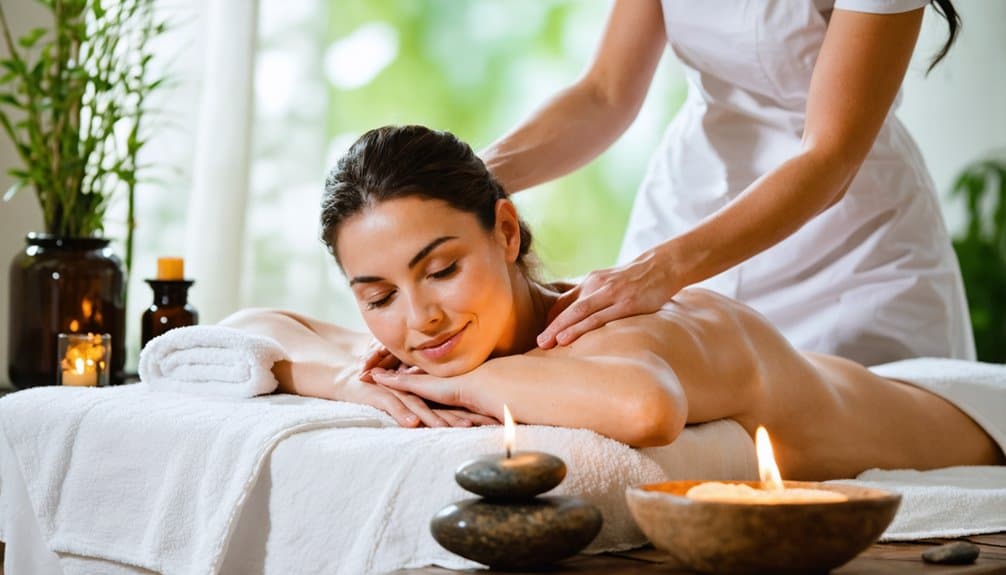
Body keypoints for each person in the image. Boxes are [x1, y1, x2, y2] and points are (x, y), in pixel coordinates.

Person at [221, 125, 1002, 481]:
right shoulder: (439, 332)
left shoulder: (614, 327)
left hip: (968, 427)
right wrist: (357, 379)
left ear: (505, 229)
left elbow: (643, 405)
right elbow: (249, 330)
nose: (417, 318)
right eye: (379, 294)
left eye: (443, 269)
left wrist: (434, 383)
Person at [478, 0, 974, 367]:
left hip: (849, 248)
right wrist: (462, 177)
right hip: (692, 195)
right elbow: (605, 94)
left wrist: (662, 270)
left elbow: (830, 156)